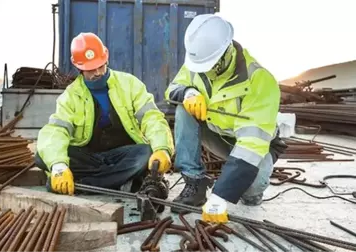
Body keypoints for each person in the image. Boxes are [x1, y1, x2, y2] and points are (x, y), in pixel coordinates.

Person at [164, 14, 287, 222]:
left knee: (249, 191)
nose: (205, 72)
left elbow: (250, 146)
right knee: (183, 109)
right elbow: (172, 89)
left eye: (209, 66)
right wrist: (188, 93)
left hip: (255, 147)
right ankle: (194, 182)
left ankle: (254, 189)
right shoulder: (198, 63)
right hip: (217, 134)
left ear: (226, 51)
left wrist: (220, 196)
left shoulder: (260, 81)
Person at [35, 32, 174, 196]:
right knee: (41, 157)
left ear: (106, 57)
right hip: (90, 158)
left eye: (100, 65)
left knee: (145, 153)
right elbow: (55, 132)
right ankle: (119, 182)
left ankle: (84, 185)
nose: (98, 72)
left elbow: (152, 117)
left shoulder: (129, 84)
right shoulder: (70, 96)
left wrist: (162, 148)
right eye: (91, 69)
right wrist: (59, 166)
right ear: (77, 65)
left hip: (123, 155)